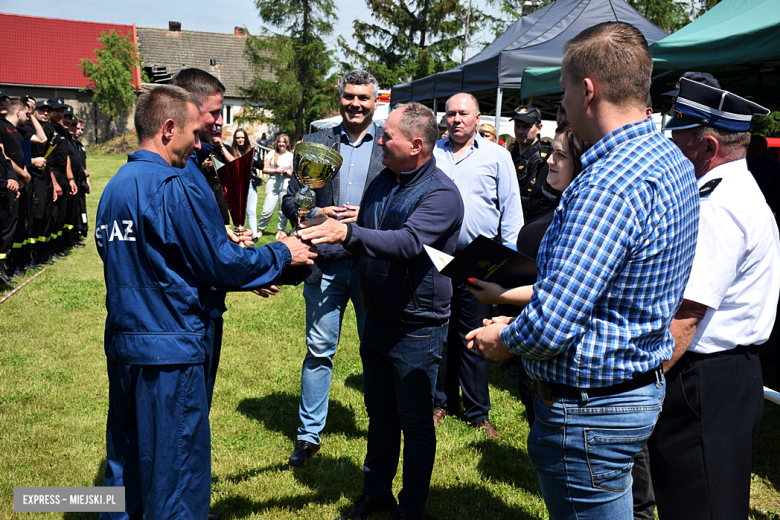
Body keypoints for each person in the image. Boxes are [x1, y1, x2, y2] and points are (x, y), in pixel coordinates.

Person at [466, 22, 699, 519]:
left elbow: (552, 322)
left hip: (590, 410)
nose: (564, 106)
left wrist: (503, 340)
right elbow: (608, 290)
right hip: (633, 390)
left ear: (588, 90)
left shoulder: (607, 183)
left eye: (565, 91)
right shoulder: (672, 159)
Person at [96, 85, 316, 520]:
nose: (198, 144)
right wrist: (282, 252)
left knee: (126, 460)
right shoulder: (169, 184)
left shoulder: (115, 187)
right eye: (193, 134)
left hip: (125, 345)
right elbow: (217, 262)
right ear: (168, 127)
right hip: (170, 349)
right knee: (176, 466)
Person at [299, 102, 464, 520]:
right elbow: (362, 240)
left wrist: (348, 233)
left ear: (417, 144)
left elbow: (407, 244)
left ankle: (410, 507)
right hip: (376, 320)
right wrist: (310, 248)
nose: (381, 142)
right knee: (380, 416)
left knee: (415, 423)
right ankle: (376, 493)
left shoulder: (441, 195)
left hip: (416, 328)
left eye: (387, 136)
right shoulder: (383, 181)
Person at [648, 78, 780, 520]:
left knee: (701, 507)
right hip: (723, 374)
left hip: (704, 377)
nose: (673, 147)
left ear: (707, 145)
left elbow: (687, 313)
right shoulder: (734, 193)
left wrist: (641, 383)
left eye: (679, 137)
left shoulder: (719, 205)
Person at [280, 69, 385, 467]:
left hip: (372, 263)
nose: (355, 104)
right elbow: (292, 199)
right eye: (349, 96)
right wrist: (313, 210)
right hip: (325, 264)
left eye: (363, 98)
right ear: (338, 98)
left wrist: (369, 215)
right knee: (319, 350)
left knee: (375, 350)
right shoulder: (315, 144)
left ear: (375, 102)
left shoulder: (388, 144)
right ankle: (308, 436)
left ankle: (381, 424)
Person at [431, 92, 523, 439]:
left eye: (463, 114)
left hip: (479, 258)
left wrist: (511, 255)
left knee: (472, 334)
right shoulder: (432, 153)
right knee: (439, 331)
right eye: (451, 113)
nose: (456, 119)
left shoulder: (497, 156)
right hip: (437, 255)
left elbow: (511, 208)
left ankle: (477, 412)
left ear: (477, 117)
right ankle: (439, 402)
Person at [511, 104, 560, 222]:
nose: (520, 131)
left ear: (539, 128)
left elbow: (535, 201)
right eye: (517, 126)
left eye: (526, 127)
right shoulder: (513, 154)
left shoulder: (543, 159)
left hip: (527, 223)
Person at [258, 134, 293, 239]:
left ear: (287, 143)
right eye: (279, 142)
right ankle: (261, 230)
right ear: (277, 143)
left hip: (286, 182)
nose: (281, 144)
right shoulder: (271, 153)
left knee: (283, 210)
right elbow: (264, 169)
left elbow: (292, 173)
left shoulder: (291, 155)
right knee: (267, 209)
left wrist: (286, 172)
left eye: (283, 142)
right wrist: (275, 171)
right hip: (273, 181)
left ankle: (280, 230)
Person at [231, 128, 263, 237]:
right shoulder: (231, 151)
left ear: (246, 138)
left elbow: (261, 165)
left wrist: (248, 160)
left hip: (250, 183)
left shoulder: (252, 151)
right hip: (236, 184)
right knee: (239, 213)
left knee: (251, 211)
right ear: (235, 139)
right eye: (238, 138)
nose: (240, 140)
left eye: (242, 137)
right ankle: (240, 235)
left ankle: (253, 235)